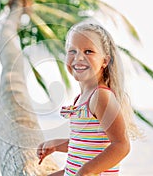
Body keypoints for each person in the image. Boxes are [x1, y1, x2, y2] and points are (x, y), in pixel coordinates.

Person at [36, 21, 141, 176]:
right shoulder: (80, 98)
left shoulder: (101, 96)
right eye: (72, 51)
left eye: (88, 51)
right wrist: (56, 144)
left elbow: (121, 145)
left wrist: (86, 171)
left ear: (104, 61)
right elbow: (84, 145)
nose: (79, 57)